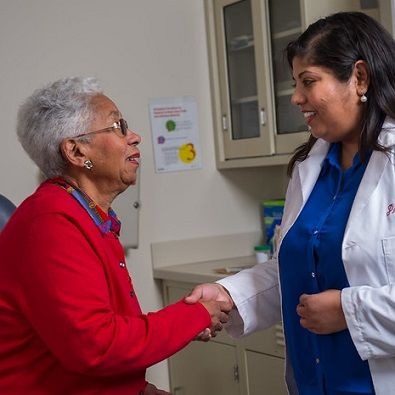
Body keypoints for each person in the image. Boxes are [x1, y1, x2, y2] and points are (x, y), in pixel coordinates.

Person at [186, 11, 395, 395]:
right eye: (295, 83)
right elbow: (298, 270)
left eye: (308, 81)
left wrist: (350, 311)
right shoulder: (310, 167)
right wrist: (230, 294)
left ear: (359, 78)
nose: (296, 98)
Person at [0, 76, 231, 395]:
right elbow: (97, 347)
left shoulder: (89, 216)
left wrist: (187, 322)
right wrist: (194, 315)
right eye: (118, 126)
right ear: (77, 151)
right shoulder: (51, 222)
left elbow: (110, 333)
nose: (134, 137)